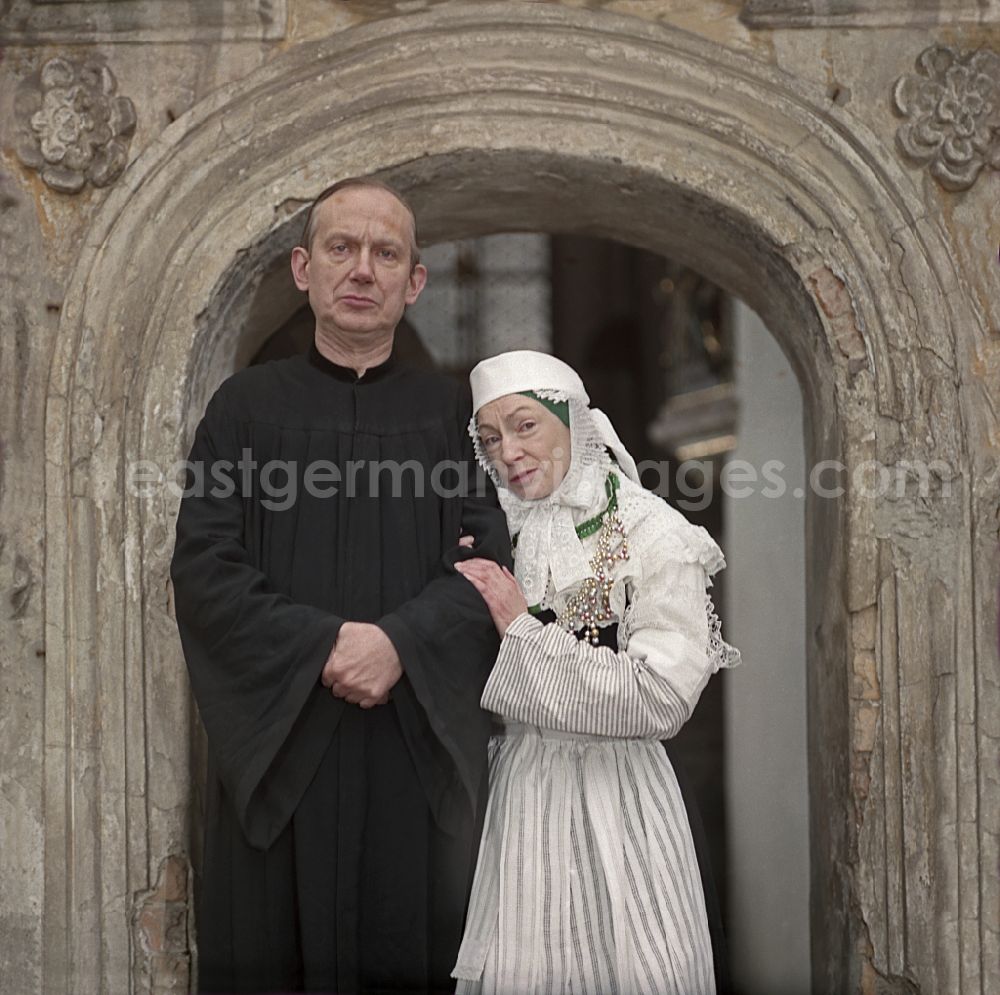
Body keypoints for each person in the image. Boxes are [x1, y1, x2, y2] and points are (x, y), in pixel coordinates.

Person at [170, 177, 511, 994]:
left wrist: (400, 642)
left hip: (409, 763)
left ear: (413, 282)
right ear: (303, 268)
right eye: (341, 248)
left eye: (386, 253)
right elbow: (205, 568)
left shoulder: (449, 418)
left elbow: (490, 567)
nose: (363, 270)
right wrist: (326, 645)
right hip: (280, 761)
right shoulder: (244, 410)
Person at [450, 351, 740, 995]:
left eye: (525, 426)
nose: (508, 452)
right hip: (521, 797)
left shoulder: (656, 534)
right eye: (490, 437)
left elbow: (660, 697)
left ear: (574, 423)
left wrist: (519, 627)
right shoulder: (495, 537)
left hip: (621, 799)